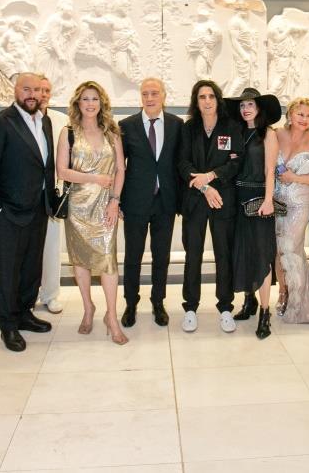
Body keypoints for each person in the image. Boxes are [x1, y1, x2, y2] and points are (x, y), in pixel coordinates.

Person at [0, 72, 56, 353]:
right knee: (8, 269)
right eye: (26, 89)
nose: (32, 94)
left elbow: (45, 165)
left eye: (37, 89)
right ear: (16, 91)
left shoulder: (43, 121)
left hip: (39, 208)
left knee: (32, 265)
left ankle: (24, 313)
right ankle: (8, 325)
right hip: (9, 211)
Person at [55, 81, 128, 343]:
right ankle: (88, 309)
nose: (90, 104)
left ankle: (112, 316)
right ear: (78, 103)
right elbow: (62, 171)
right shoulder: (68, 132)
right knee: (81, 260)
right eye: (85, 99)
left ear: (101, 103)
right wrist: (96, 178)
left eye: (94, 99)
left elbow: (120, 168)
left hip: (106, 205)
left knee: (108, 260)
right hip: (78, 206)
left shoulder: (112, 132)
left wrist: (115, 200)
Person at [176, 79, 243, 333]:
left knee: (223, 254)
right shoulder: (188, 127)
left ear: (218, 100)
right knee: (193, 255)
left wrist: (211, 176)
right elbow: (182, 163)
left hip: (222, 199)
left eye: (211, 96)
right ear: (196, 101)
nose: (206, 101)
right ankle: (190, 307)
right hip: (195, 199)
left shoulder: (231, 127)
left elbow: (236, 162)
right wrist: (203, 186)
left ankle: (225, 307)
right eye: (201, 97)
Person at [119, 77, 183, 328]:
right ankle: (130, 303)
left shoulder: (178, 125)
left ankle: (158, 301)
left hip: (165, 202)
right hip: (135, 202)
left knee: (161, 256)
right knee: (132, 256)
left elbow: (181, 163)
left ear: (164, 95)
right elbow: (118, 167)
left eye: (154, 93)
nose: (149, 98)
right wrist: (117, 200)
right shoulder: (126, 126)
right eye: (145, 93)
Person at [226, 88, 281, 339]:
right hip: (236, 198)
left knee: (262, 255)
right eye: (241, 105)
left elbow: (271, 170)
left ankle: (264, 311)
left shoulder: (268, 134)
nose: (245, 109)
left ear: (259, 108)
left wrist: (269, 199)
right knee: (242, 253)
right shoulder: (235, 132)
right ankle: (248, 302)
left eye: (250, 104)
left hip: (259, 198)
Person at [275, 98, 309, 323]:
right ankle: (283, 292)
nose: (305, 119)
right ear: (290, 115)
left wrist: (294, 177)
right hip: (277, 200)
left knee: (291, 247)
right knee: (279, 250)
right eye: (300, 114)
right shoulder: (277, 134)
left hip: (301, 201)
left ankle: (298, 302)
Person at [39, 75, 68, 314]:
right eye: (39, 90)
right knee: (26, 249)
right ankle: (26, 294)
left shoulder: (62, 120)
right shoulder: (15, 121)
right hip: (25, 197)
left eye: (47, 90)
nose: (43, 94)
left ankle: (50, 294)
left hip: (53, 194)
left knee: (52, 246)